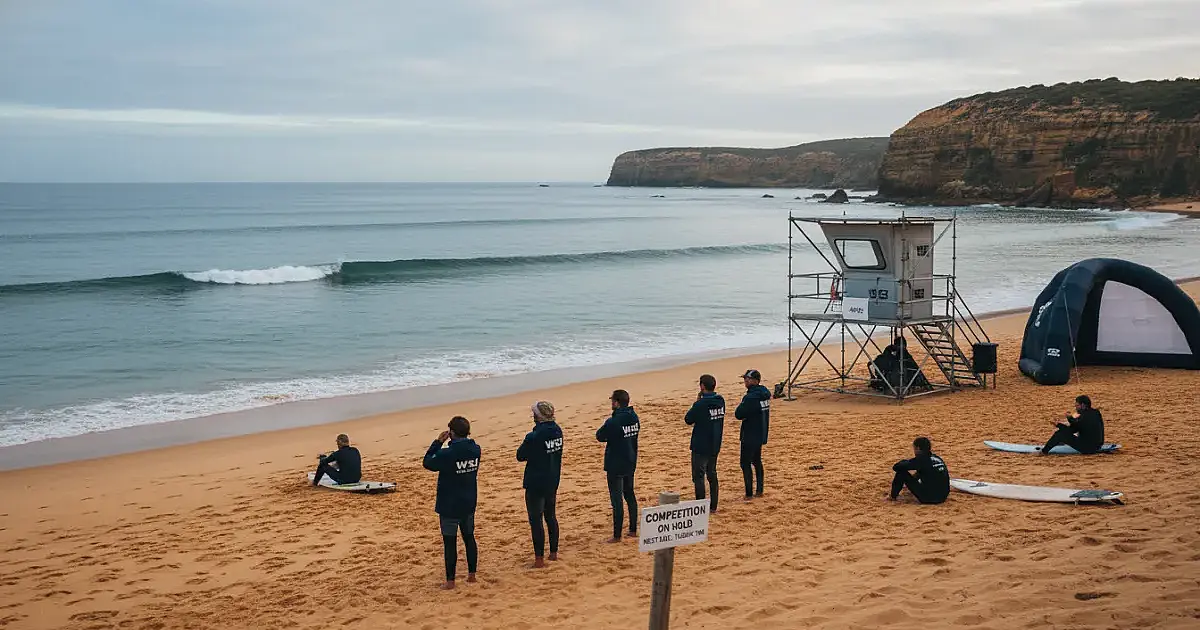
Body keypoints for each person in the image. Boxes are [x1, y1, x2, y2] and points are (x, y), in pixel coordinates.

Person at [422, 416, 481, 589]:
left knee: (450, 542)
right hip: (468, 501)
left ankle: (450, 581)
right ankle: (472, 575)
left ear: (452, 433)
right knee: (469, 538)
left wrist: (437, 442)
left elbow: (427, 462)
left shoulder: (447, 454)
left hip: (449, 504)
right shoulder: (475, 449)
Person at [517, 401, 564, 567]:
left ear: (538, 416)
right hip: (552, 479)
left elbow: (520, 455)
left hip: (536, 482)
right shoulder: (558, 431)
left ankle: (539, 559)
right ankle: (553, 552)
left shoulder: (534, 436)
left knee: (536, 520)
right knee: (551, 516)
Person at [596, 389, 639, 542]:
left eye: (612, 401)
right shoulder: (634, 417)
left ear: (616, 403)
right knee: (630, 495)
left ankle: (617, 535)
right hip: (630, 460)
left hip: (616, 463)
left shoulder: (613, 421)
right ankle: (633, 529)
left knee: (617, 500)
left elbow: (600, 436)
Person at [685, 374, 725, 512]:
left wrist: (697, 402)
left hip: (701, 445)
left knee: (699, 476)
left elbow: (688, 419)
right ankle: (713, 506)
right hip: (715, 442)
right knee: (712, 473)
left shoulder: (700, 404)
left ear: (702, 386)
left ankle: (701, 506)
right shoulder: (720, 401)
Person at [733, 369, 770, 501]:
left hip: (750, 434)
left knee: (745, 463)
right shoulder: (764, 394)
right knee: (757, 461)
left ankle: (749, 493)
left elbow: (738, 414)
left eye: (747, 379)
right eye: (744, 379)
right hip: (761, 431)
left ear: (755, 381)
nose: (745, 381)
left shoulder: (750, 397)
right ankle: (759, 490)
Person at [888, 437, 949, 504]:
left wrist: (905, 461)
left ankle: (892, 497)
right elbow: (924, 471)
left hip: (929, 499)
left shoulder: (920, 460)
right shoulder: (937, 458)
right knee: (926, 471)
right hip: (943, 497)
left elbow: (896, 467)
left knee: (901, 473)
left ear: (918, 448)